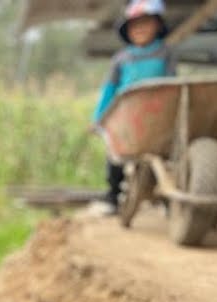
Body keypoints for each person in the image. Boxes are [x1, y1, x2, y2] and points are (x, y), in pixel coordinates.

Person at [91, 0, 177, 213]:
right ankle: (113, 197)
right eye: (134, 25)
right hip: (128, 118)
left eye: (145, 23)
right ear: (127, 30)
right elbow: (109, 90)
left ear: (157, 25)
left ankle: (169, 198)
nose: (139, 28)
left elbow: (172, 83)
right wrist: (99, 118)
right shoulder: (121, 59)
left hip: (158, 116)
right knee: (116, 155)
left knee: (167, 157)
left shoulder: (166, 53)